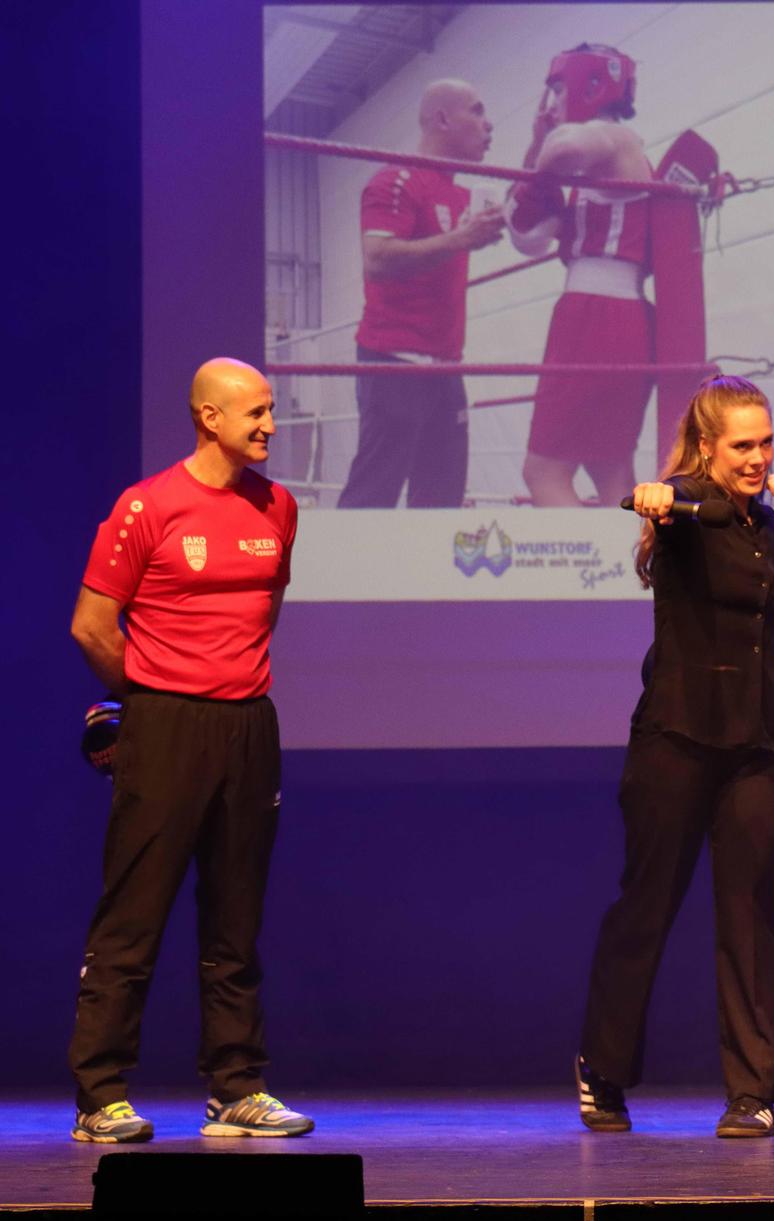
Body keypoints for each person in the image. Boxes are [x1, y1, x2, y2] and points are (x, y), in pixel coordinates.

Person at [575, 375, 774, 1139]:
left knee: (751, 915)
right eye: (743, 446)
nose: (758, 458)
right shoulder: (687, 507)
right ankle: (604, 1066)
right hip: (677, 739)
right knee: (646, 906)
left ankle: (752, 1092)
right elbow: (665, 500)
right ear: (711, 447)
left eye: (766, 444)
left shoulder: (773, 526)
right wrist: (657, 497)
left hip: (755, 742)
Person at [66, 358, 313, 1142]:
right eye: (256, 413)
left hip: (248, 726)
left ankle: (235, 1086)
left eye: (270, 411)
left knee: (236, 918)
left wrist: (223, 680)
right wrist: (149, 695)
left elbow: (263, 609)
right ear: (209, 417)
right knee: (134, 914)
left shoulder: (278, 505)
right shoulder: (148, 507)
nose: (270, 425)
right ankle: (100, 1092)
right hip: (165, 725)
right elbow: (92, 627)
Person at [339, 79, 503, 508]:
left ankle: (424, 578)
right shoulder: (396, 179)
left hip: (446, 366)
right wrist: (462, 239)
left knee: (442, 497)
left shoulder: (465, 192)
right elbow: (377, 258)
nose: (489, 125)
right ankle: (349, 576)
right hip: (394, 358)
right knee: (375, 491)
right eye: (477, 111)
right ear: (443, 119)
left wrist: (544, 137)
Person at [507, 44, 656, 507]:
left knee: (543, 472)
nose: (550, 104)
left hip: (593, 314)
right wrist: (538, 151)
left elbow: (568, 145)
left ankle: (598, 578)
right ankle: (643, 576)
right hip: (622, 317)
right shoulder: (608, 157)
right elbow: (526, 233)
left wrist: (544, 144)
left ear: (587, 85)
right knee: (609, 469)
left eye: (556, 89)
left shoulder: (612, 138)